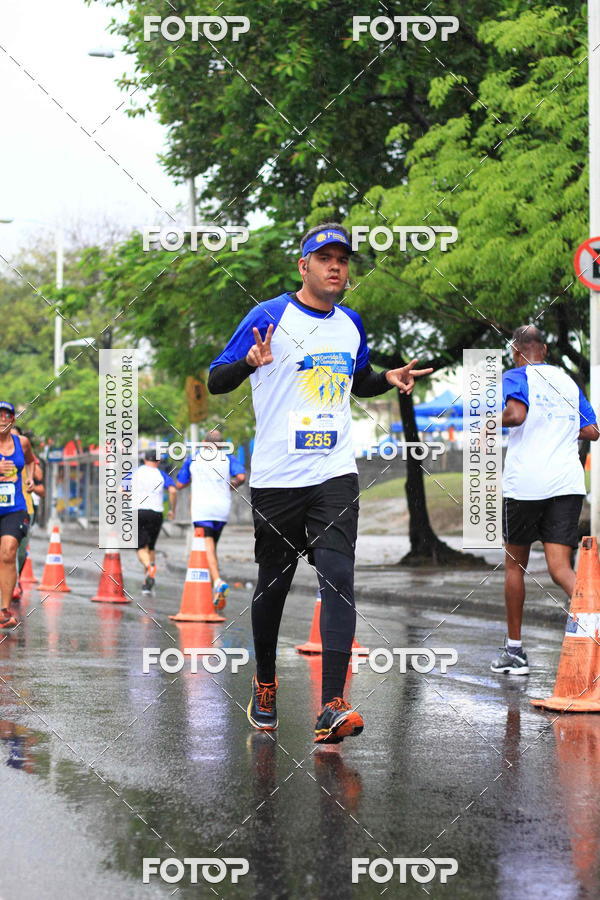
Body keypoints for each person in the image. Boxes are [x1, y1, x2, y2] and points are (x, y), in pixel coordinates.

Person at [208, 222, 432, 743]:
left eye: (343, 259)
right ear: (302, 266)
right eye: (324, 257)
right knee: (273, 587)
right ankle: (265, 682)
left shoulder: (351, 323)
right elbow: (216, 378)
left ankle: (332, 704)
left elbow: (358, 379)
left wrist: (388, 380)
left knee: (338, 576)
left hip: (334, 474)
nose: (336, 266)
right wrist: (247, 362)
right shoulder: (268, 316)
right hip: (277, 479)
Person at [491, 325, 599, 675]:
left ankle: (515, 652)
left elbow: (516, 415)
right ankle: (594, 628)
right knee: (560, 569)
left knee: (514, 567)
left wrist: (487, 422)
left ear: (515, 351)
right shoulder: (567, 381)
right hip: (567, 484)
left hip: (526, 485)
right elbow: (592, 430)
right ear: (546, 350)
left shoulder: (515, 375)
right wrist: (559, 425)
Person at [175, 429, 246, 610]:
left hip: (202, 509)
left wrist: (193, 478)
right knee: (212, 548)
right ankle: (215, 590)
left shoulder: (193, 458)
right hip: (222, 508)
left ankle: (217, 581)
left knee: (208, 548)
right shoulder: (228, 458)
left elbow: (180, 484)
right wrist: (230, 485)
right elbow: (241, 477)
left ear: (204, 443)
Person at [0, 402, 35, 629]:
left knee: (8, 552)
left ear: (12, 419)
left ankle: (4, 610)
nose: (2, 419)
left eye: (6, 416)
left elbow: (31, 460)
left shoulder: (21, 442)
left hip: (14, 507)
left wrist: (30, 478)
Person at [132, 449, 177, 594]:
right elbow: (173, 491)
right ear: (158, 461)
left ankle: (149, 567)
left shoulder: (136, 473)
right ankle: (148, 583)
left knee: (139, 547)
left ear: (145, 460)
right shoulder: (161, 474)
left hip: (139, 511)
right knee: (150, 547)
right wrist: (172, 509)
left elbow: (121, 490)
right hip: (157, 513)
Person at [11, 426, 44, 602]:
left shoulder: (23, 453)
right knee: (8, 549)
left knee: (21, 551)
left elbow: (39, 477)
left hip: (24, 508)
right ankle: (12, 583)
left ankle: (15, 579)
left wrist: (30, 475)